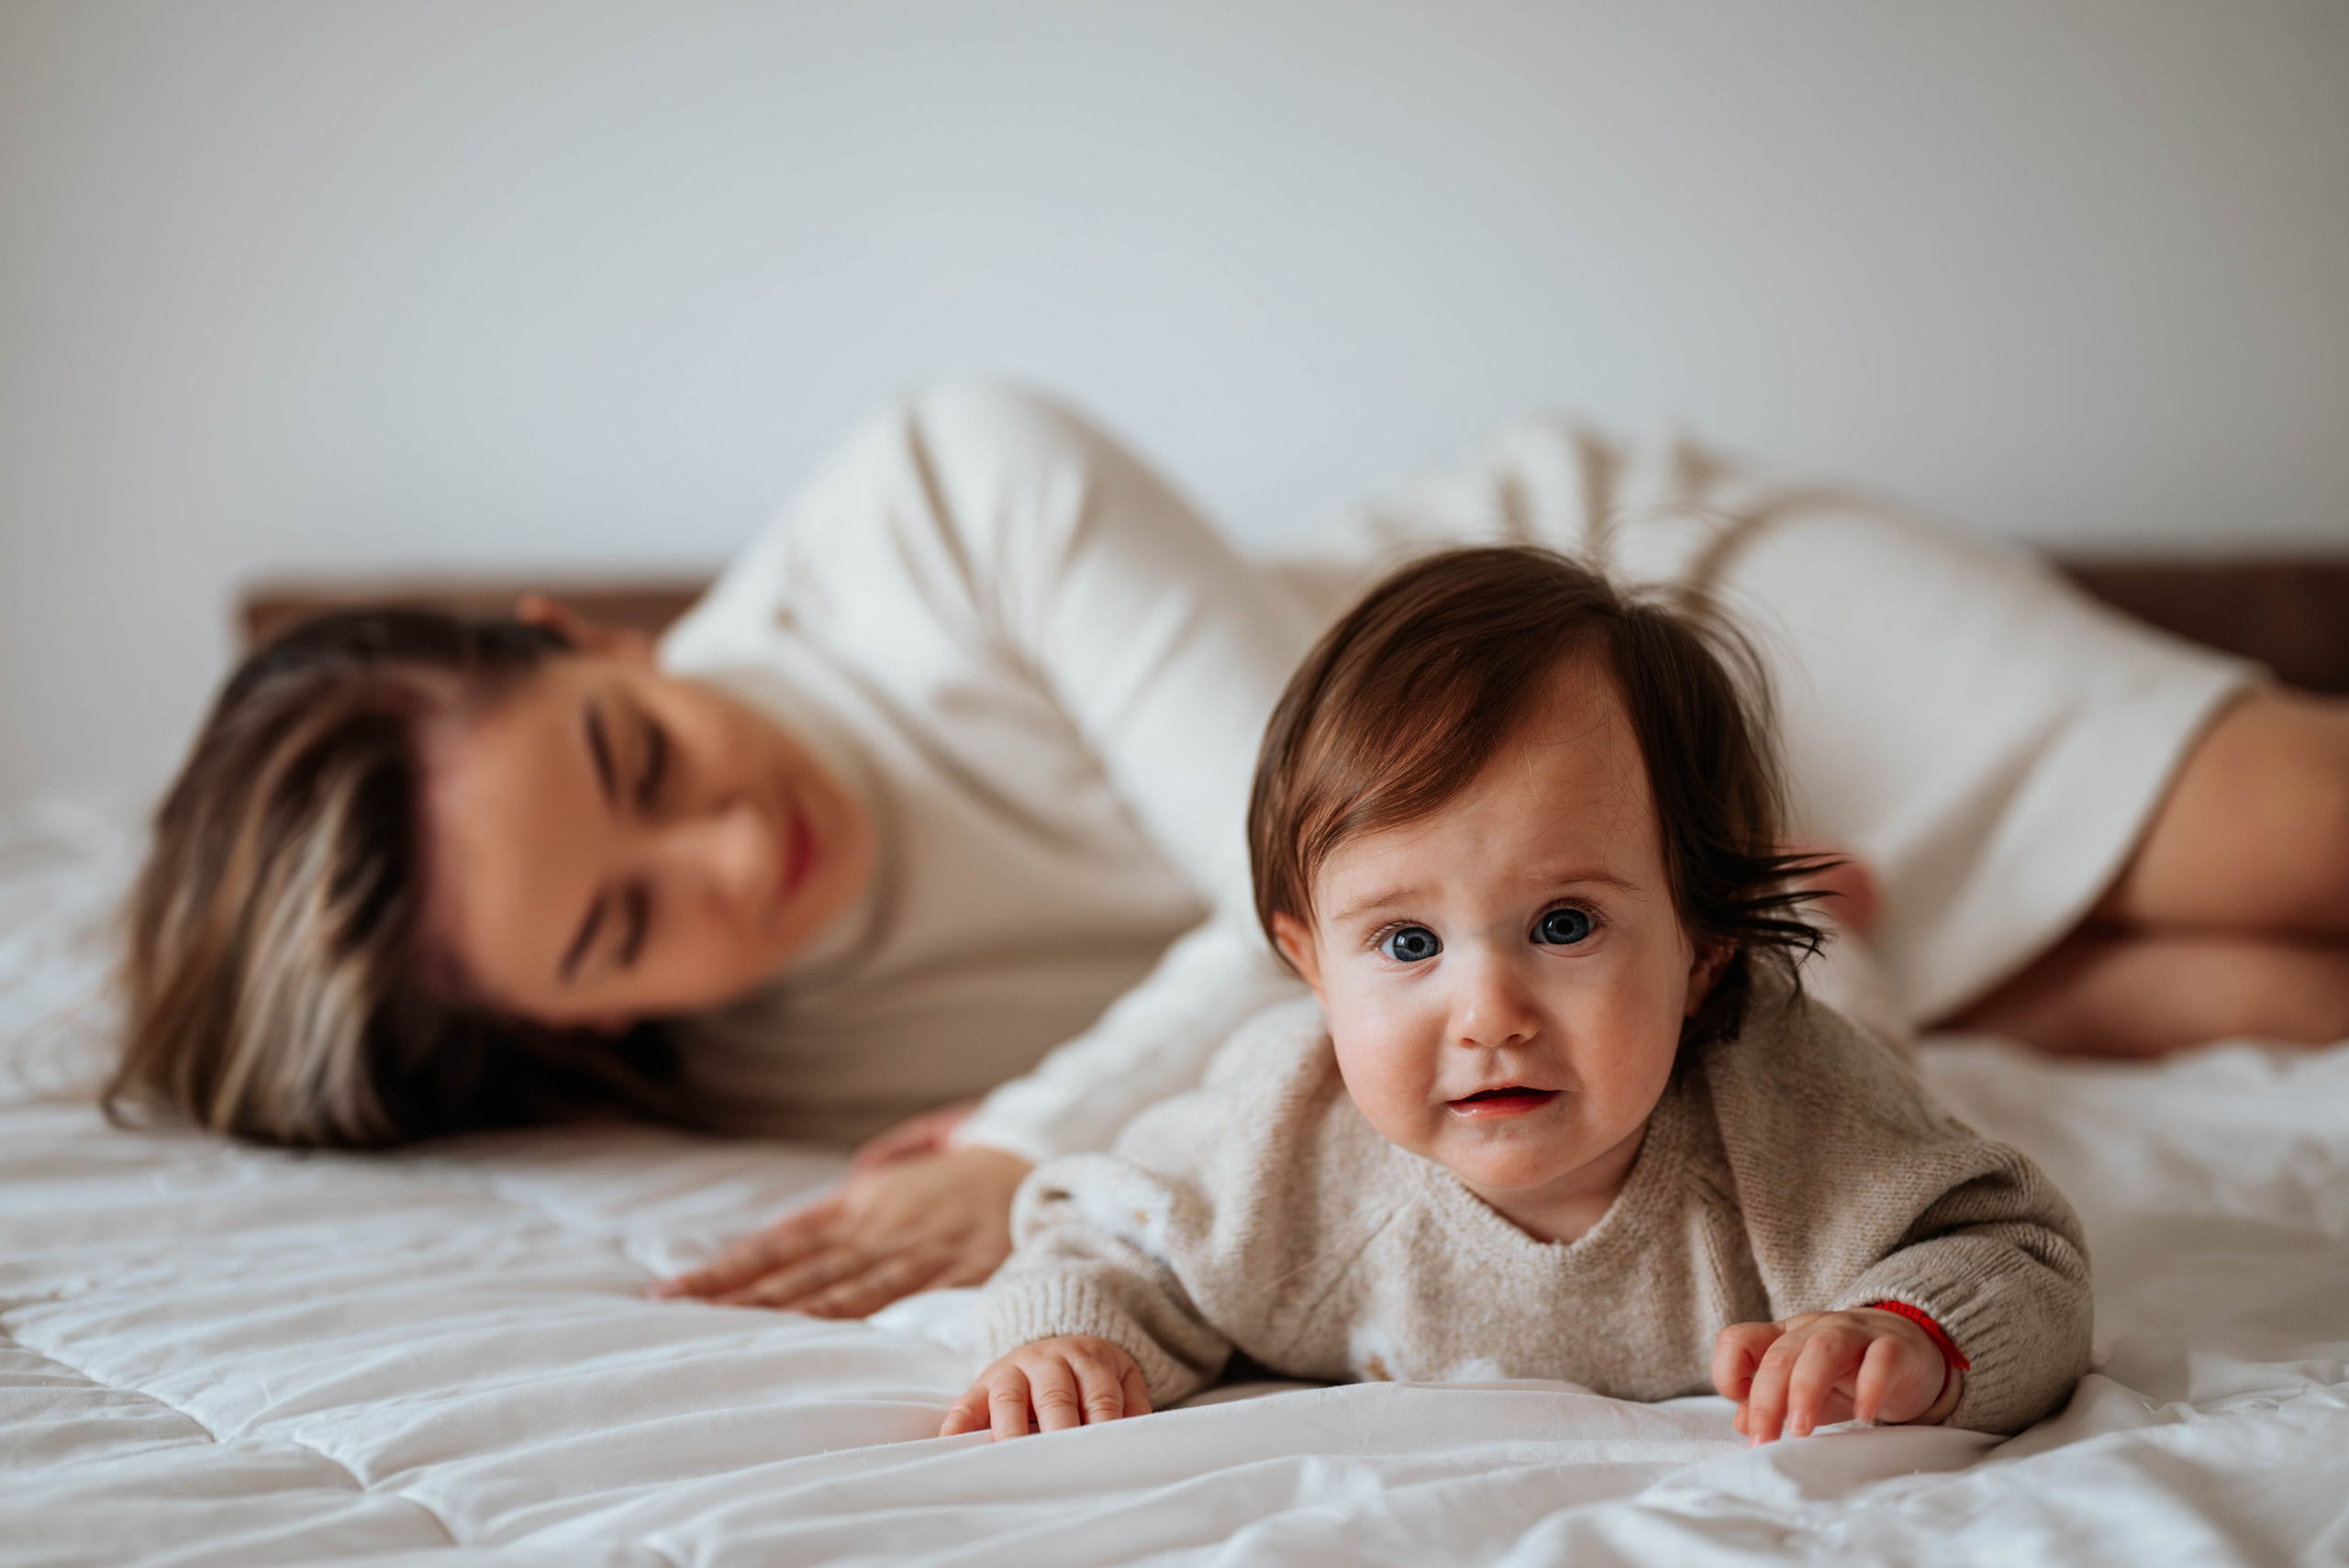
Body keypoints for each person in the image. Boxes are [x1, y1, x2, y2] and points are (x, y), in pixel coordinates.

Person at [110, 382, 2345, 1320]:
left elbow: (1316, 915)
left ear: (573, 632)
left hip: (1641, 632)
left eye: (632, 748)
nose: (725, 843)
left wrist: (1030, 1138)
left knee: (2301, 832)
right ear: (569, 1032)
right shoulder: (731, 1068)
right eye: (623, 925)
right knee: (2264, 995)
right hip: (1633, 970)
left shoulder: (943, 493)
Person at [943, 548, 2090, 1442]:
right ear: (1311, 966)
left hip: (1795, 991)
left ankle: (1811, 898)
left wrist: (1909, 1330)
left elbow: (2011, 1250)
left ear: (1703, 949)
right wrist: (1067, 1339)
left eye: (1562, 923)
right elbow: (1105, 1238)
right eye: (1406, 940)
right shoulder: (1278, 1153)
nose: (1487, 1013)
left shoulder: (1797, 1113)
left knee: (1837, 976)